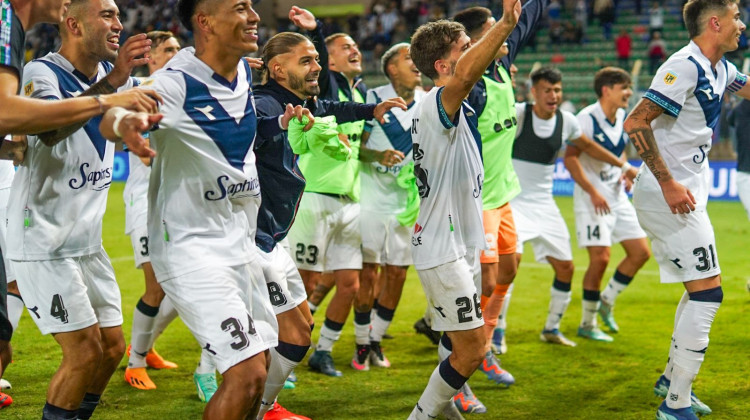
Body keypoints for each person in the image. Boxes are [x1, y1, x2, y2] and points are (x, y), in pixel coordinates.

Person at [100, 0, 314, 418]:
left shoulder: (239, 80)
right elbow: (120, 109)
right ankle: (140, 356)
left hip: (241, 243)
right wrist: (123, 124)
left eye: (253, 7)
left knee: (263, 365)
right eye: (240, 8)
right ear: (205, 21)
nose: (254, 16)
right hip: (192, 248)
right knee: (247, 373)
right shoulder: (178, 81)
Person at [0, 0, 158, 408]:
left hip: (86, 241)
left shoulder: (110, 75)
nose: (119, 25)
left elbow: (119, 125)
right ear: (73, 23)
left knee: (110, 350)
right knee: (84, 352)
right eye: (107, 15)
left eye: (120, 16)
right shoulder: (40, 71)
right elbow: (49, 129)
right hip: (43, 239)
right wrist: (116, 84)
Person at [252, 30, 405, 417]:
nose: (316, 66)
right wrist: (278, 127)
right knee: (274, 331)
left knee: (300, 329)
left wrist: (371, 110)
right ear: (277, 69)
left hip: (275, 234)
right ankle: (242, 395)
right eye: (306, 60)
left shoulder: (302, 102)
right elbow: (255, 127)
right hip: (250, 236)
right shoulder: (266, 102)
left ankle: (263, 404)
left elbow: (335, 108)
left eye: (317, 60)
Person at [623, 1, 750, 418]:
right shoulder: (685, 66)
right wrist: (668, 182)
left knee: (697, 288)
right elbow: (637, 121)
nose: (742, 24)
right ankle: (674, 402)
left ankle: (671, 378)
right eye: (735, 17)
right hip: (668, 194)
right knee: (709, 292)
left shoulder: (721, 69)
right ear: (715, 23)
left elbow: (745, 85)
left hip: (691, 189)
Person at [406, 0, 522, 417]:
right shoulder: (440, 102)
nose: (475, 52)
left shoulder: (455, 105)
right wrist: (506, 24)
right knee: (472, 349)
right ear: (442, 66)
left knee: (452, 339)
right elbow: (469, 71)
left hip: (457, 242)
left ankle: (447, 410)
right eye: (464, 47)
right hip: (442, 246)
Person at [451, 2, 549, 412]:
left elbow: (526, 20)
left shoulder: (502, 69)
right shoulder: (470, 82)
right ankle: (457, 373)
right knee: (481, 286)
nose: (505, 34)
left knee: (507, 271)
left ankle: (484, 347)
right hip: (478, 200)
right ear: (477, 41)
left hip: (503, 192)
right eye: (495, 28)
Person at [510, 66, 637, 347]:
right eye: (547, 90)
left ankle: (554, 328)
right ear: (534, 93)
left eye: (557, 90)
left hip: (550, 204)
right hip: (516, 202)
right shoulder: (521, 114)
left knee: (568, 267)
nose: (553, 95)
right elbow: (574, 156)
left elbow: (595, 147)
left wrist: (625, 168)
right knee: (509, 265)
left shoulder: (567, 121)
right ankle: (496, 333)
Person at [563, 67, 651, 340]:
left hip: (616, 194)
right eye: (623, 87)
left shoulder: (622, 115)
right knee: (600, 259)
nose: (628, 92)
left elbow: (619, 148)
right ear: (606, 90)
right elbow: (570, 158)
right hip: (593, 198)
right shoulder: (586, 118)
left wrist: (624, 172)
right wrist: (592, 190)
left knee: (640, 253)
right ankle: (587, 324)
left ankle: (607, 300)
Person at [122, 29, 185, 392]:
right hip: (144, 201)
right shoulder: (142, 90)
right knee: (156, 285)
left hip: (174, 201)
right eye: (169, 49)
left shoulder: (181, 90)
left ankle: (144, 348)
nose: (177, 54)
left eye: (179, 48)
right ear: (152, 57)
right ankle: (135, 363)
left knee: (181, 285)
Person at [356, 42, 424, 370]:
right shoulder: (372, 99)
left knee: (397, 273)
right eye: (408, 57)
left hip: (407, 203)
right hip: (371, 197)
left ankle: (375, 340)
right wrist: (377, 156)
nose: (417, 62)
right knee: (369, 272)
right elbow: (356, 149)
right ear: (392, 68)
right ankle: (359, 340)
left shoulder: (429, 101)